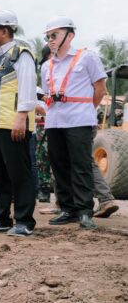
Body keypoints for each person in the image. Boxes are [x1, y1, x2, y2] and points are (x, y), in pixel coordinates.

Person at [41, 17, 107, 230]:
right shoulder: (46, 66)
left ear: (70, 35)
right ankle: (67, 209)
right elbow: (48, 94)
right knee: (59, 166)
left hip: (79, 120)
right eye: (48, 36)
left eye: (54, 35)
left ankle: (84, 211)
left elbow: (100, 89)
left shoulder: (86, 57)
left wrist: (87, 110)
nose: (50, 40)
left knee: (80, 165)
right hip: (54, 122)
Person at [0, 9, 38, 237]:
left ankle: (24, 220)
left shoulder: (20, 54)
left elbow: (27, 86)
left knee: (19, 174)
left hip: (12, 125)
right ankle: (1, 219)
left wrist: (21, 116)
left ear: (4, 31)